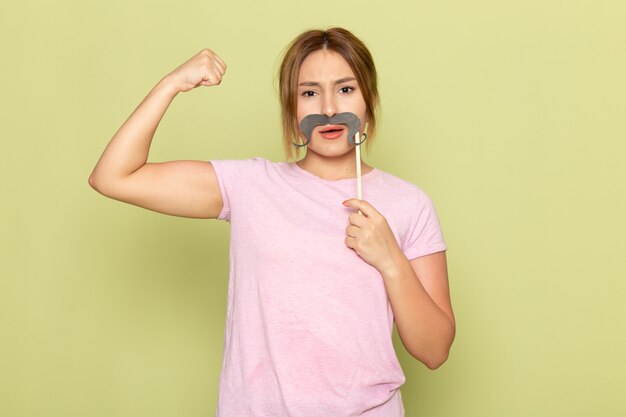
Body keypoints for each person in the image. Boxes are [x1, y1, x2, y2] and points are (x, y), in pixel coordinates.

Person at [89, 27, 455, 417]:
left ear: (369, 99)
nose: (329, 109)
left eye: (345, 89)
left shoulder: (408, 204)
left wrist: (391, 260)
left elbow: (434, 351)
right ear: (291, 106)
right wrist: (171, 84)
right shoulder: (250, 186)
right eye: (310, 92)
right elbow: (113, 176)